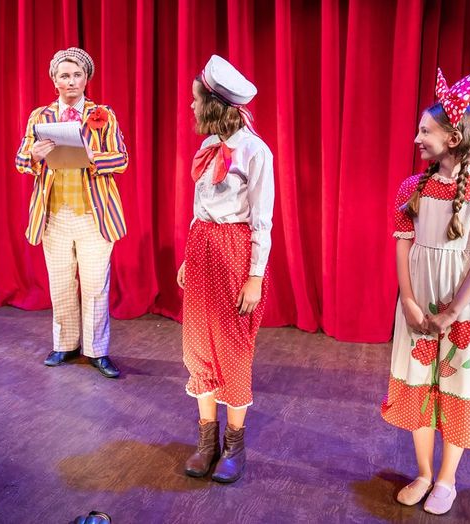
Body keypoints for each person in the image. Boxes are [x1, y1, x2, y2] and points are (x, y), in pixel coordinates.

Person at [381, 69, 470, 515]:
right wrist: (410, 301)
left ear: (453, 138)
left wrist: (453, 311)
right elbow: (403, 248)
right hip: (417, 300)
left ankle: (447, 478)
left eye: (425, 131)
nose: (417, 138)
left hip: (462, 305)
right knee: (418, 381)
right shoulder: (411, 188)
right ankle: (421, 471)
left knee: (457, 379)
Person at [177, 55, 274, 483]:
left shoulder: (255, 150)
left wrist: (255, 275)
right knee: (198, 345)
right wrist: (188, 255)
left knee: (232, 350)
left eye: (196, 101)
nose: (191, 107)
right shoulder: (205, 147)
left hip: (235, 252)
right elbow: (200, 209)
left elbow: (262, 219)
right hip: (202, 248)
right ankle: (206, 441)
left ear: (214, 104)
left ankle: (235, 443)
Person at [15, 47, 129, 379]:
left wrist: (94, 157)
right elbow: (20, 162)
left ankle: (97, 350)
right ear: (54, 80)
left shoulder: (103, 114)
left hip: (94, 214)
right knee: (61, 283)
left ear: (86, 78)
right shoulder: (40, 116)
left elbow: (121, 159)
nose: (71, 81)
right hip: (54, 214)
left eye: (77, 74)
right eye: (64, 75)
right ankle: (65, 344)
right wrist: (34, 155)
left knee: (95, 285)